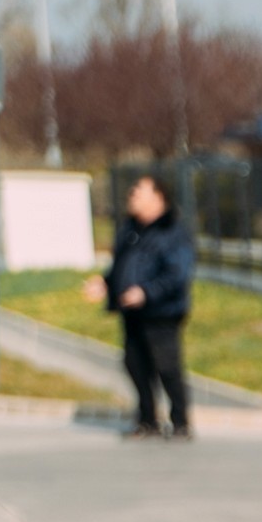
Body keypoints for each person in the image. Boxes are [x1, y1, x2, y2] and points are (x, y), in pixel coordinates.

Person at [85, 171, 195, 440]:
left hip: (161, 312)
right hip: (132, 312)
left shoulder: (172, 231)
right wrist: (106, 283)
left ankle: (180, 422)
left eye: (138, 192)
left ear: (158, 197)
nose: (131, 196)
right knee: (135, 365)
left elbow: (177, 274)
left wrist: (146, 292)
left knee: (166, 367)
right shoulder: (131, 229)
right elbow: (121, 266)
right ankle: (147, 420)